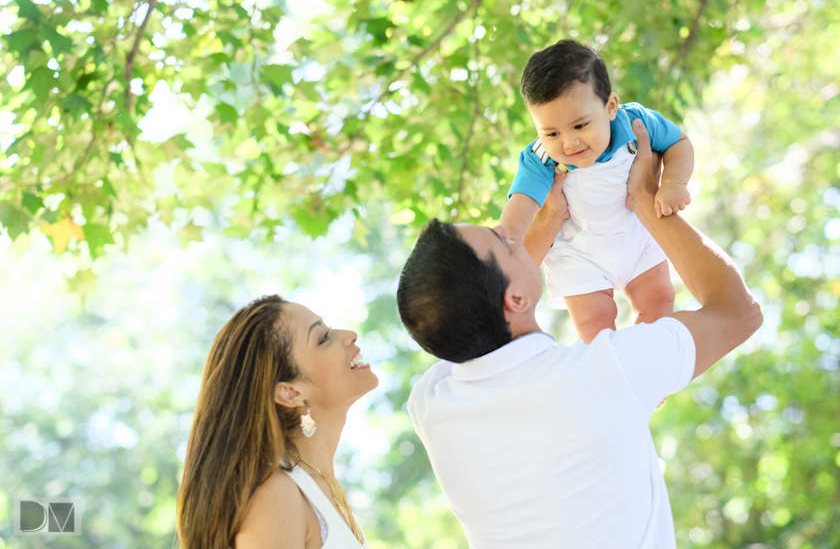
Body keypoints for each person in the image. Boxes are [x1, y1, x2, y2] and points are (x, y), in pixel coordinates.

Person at [397, 121, 762, 548]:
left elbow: (462, 313)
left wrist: (552, 217)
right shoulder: (602, 375)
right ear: (512, 300)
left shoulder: (434, 402)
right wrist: (644, 199)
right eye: (504, 240)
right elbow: (739, 313)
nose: (515, 235)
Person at [500, 39, 695, 343]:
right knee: (594, 327)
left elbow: (679, 143)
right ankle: (612, 378)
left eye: (580, 126)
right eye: (551, 133)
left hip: (637, 235)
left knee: (659, 304)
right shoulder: (539, 159)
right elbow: (515, 219)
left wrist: (673, 183)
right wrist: (503, 250)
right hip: (580, 254)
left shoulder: (636, 122)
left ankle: (650, 370)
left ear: (611, 106)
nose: (569, 143)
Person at [176, 295, 378, 549]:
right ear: (290, 392)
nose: (349, 335)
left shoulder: (321, 488)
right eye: (324, 338)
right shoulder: (277, 495)